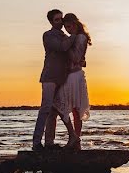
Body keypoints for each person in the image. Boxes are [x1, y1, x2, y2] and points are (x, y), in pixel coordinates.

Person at [32, 9, 78, 150]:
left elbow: (71, 54)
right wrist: (75, 34)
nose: (60, 22)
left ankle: (49, 143)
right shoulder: (48, 35)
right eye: (57, 20)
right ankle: (36, 143)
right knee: (45, 108)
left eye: (61, 19)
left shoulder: (65, 36)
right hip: (50, 77)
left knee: (56, 110)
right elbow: (62, 47)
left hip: (62, 78)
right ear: (51, 22)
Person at [54, 13, 91, 148]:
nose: (67, 30)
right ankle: (75, 138)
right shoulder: (75, 38)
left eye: (69, 26)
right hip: (72, 75)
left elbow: (76, 58)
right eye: (65, 27)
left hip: (74, 76)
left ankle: (75, 138)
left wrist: (66, 47)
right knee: (71, 108)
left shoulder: (80, 38)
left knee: (70, 107)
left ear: (75, 24)